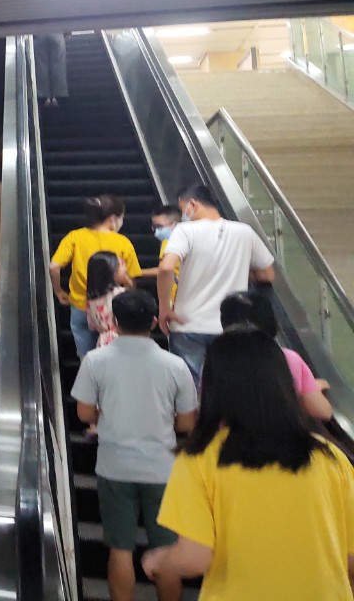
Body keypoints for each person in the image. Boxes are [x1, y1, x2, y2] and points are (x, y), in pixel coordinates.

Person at [142, 327, 354, 601]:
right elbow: (350, 558)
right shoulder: (329, 456)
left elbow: (194, 558)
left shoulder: (200, 459)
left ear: (213, 389)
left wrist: (160, 559)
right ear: (283, 385)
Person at [72, 290, 197, 601]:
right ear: (154, 322)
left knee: (120, 548)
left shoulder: (95, 361)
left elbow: (84, 413)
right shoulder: (175, 365)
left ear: (114, 321)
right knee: (166, 549)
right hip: (162, 469)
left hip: (114, 467)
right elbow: (187, 423)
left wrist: (108, 414)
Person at [158, 183, 275, 380]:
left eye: (182, 209)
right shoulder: (245, 232)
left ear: (193, 204)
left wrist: (164, 308)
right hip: (230, 325)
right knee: (228, 386)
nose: (183, 215)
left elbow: (166, 267)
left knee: (192, 388)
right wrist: (239, 267)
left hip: (188, 325)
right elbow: (267, 275)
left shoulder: (185, 230)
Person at [49, 195, 142, 359]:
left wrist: (58, 291)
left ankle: (89, 373)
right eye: (122, 218)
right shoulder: (123, 242)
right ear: (113, 219)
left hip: (81, 305)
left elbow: (54, 266)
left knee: (86, 355)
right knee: (115, 356)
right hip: (112, 309)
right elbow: (131, 280)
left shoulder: (75, 236)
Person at [220, 290, 332, 422]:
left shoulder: (218, 361)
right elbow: (322, 411)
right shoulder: (288, 358)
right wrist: (314, 387)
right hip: (281, 432)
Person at [85, 251, 130, 350]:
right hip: (122, 342)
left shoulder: (91, 299)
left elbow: (92, 326)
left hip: (103, 342)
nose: (126, 267)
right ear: (111, 271)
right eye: (122, 264)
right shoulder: (122, 294)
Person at [140, 204, 182, 281]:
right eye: (154, 227)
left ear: (175, 225)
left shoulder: (168, 243)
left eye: (159, 227)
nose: (156, 231)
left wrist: (137, 272)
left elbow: (164, 270)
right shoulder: (186, 242)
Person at [34, 33, 68, 107]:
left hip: (39, 34)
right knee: (58, 66)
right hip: (57, 34)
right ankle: (58, 96)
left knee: (41, 66)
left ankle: (44, 97)